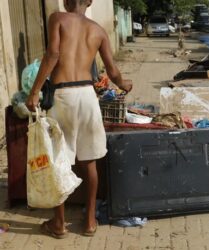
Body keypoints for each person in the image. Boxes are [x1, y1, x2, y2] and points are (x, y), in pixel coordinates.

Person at [26, 0, 132, 238]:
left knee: (60, 160)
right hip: (87, 96)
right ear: (90, 2)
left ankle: (59, 223)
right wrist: (125, 84)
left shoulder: (58, 19)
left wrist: (34, 91)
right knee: (89, 161)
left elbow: (53, 54)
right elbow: (113, 72)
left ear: (65, 1)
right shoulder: (98, 30)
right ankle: (90, 221)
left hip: (63, 96)